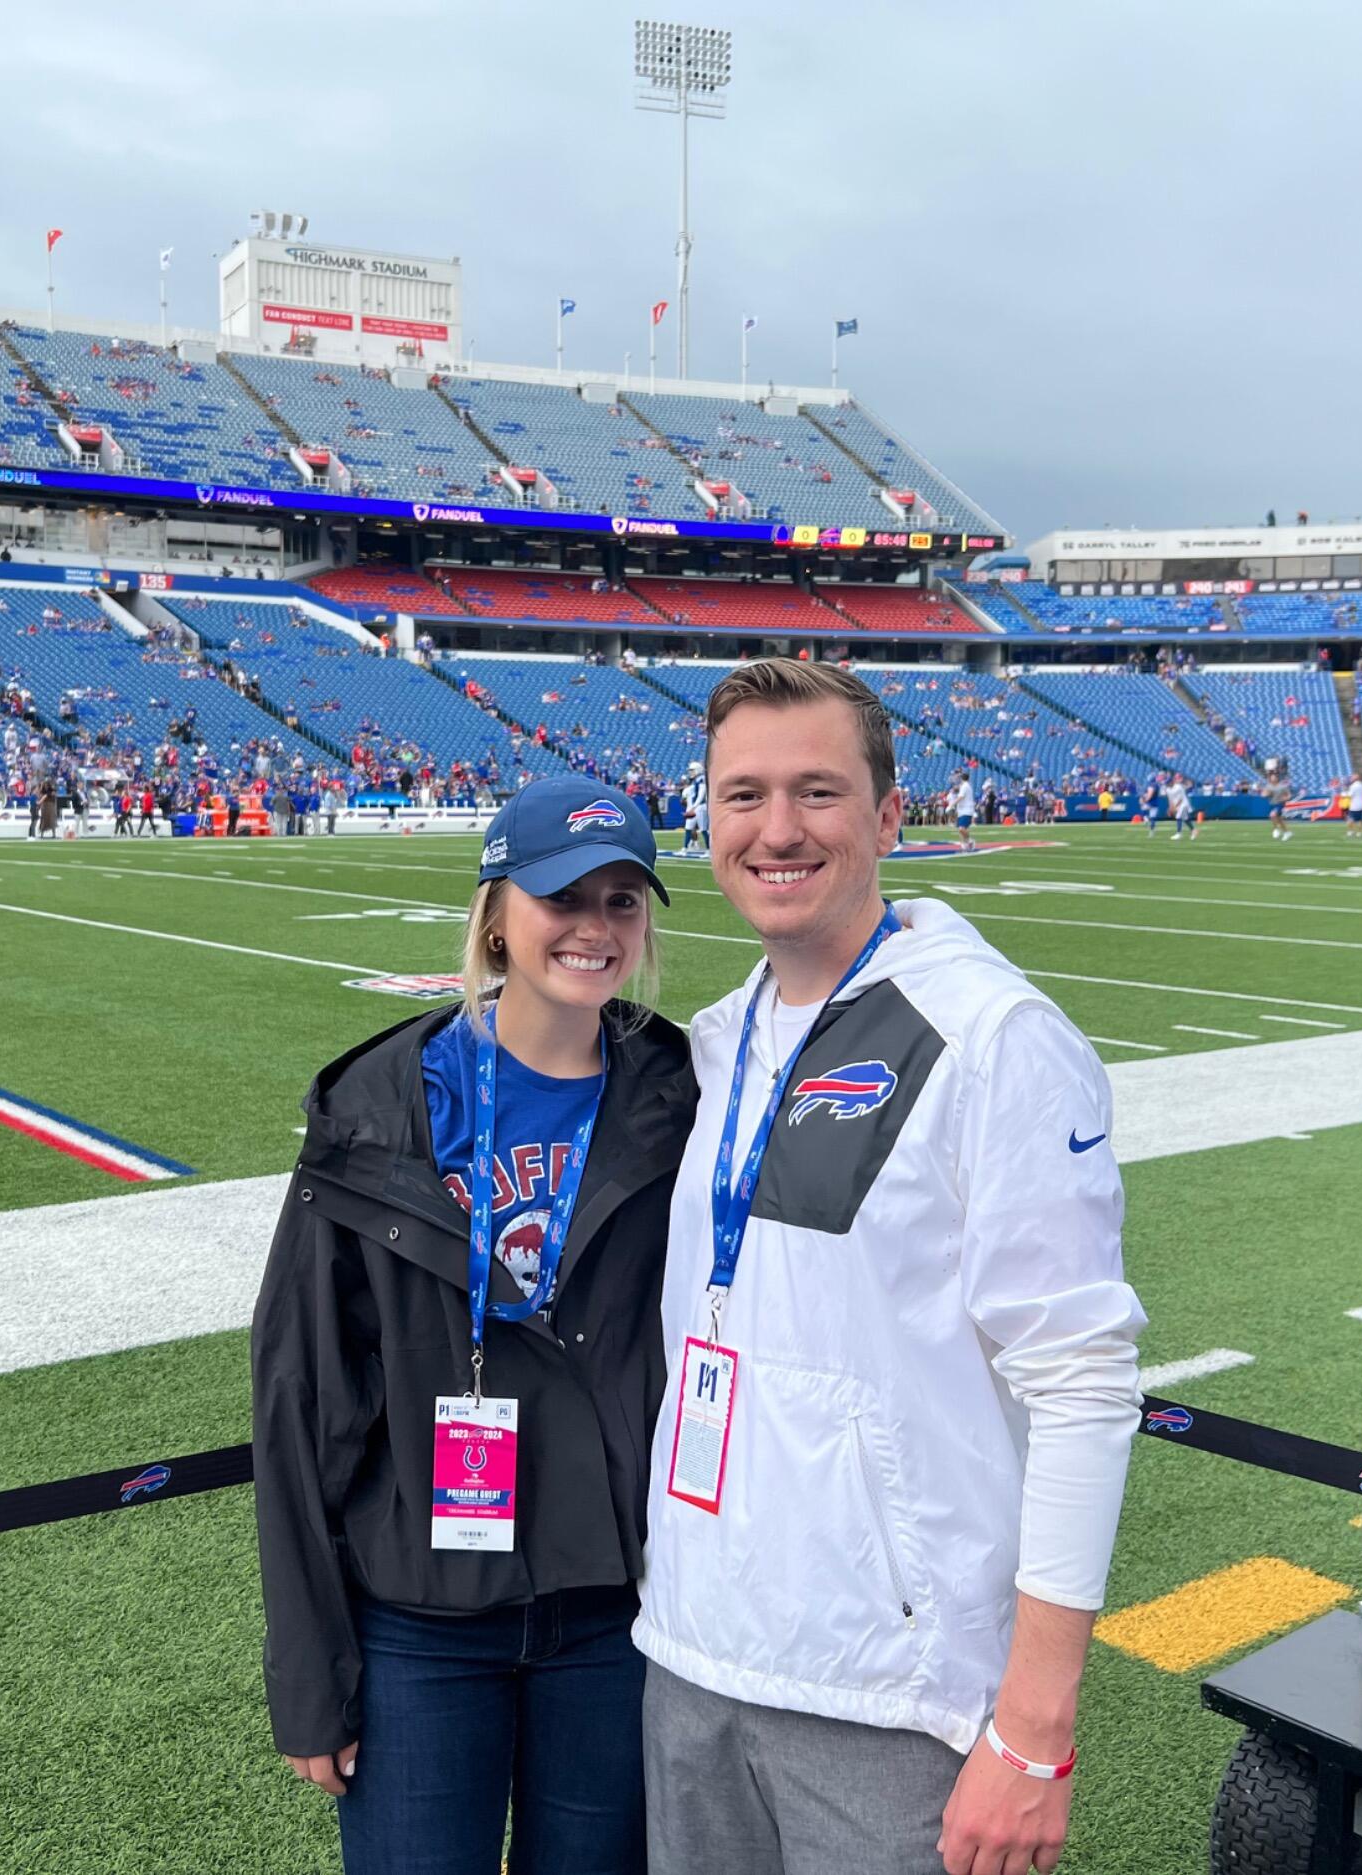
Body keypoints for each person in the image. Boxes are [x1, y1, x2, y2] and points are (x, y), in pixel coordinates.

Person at [631, 659, 1145, 1875]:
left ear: (889, 816)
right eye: (741, 795)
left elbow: (1079, 1383)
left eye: (817, 791)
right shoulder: (722, 1039)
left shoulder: (993, 1039)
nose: (776, 829)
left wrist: (1032, 1732)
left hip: (890, 1697)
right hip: (692, 1654)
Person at [251, 775, 696, 1875]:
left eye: (621, 902)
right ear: (497, 911)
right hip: (419, 1617)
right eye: (564, 899)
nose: (595, 929)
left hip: (612, 1608)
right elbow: (299, 1397)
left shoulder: (682, 1092)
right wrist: (313, 1677)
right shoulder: (379, 1107)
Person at [1346, 773, 1362, 837]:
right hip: (1361, 804)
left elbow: (1350, 795)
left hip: (1354, 805)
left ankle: (1351, 831)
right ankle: (1359, 832)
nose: (1351, 778)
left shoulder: (1353, 786)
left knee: (1350, 819)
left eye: (1352, 777)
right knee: (1360, 820)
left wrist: (1346, 792)